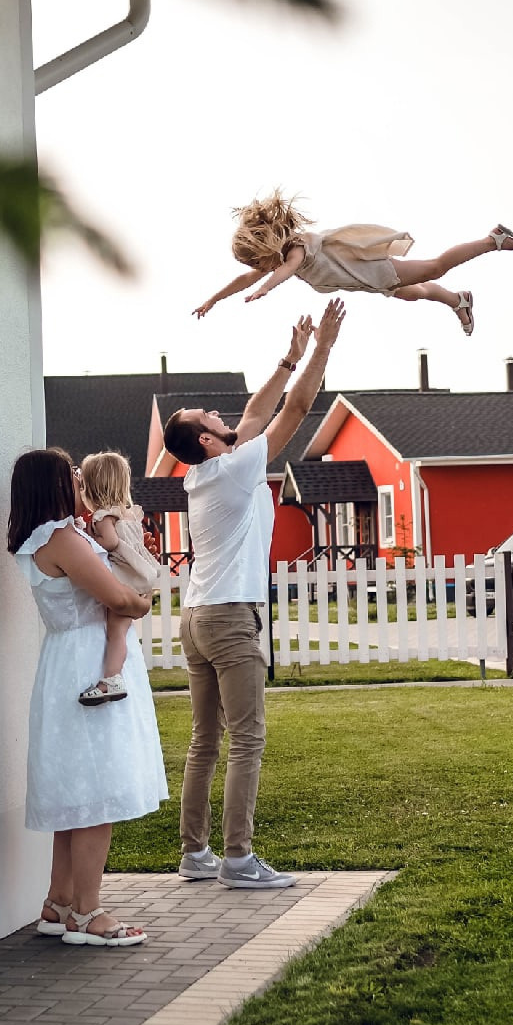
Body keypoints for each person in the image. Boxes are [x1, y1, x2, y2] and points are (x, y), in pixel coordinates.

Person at [163, 300, 345, 889]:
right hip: (228, 617)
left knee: (205, 741)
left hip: (196, 616)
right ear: (208, 439)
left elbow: (252, 412)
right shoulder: (236, 467)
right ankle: (239, 861)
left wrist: (289, 357)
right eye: (207, 416)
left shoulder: (202, 471)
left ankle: (195, 854)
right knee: (247, 739)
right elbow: (293, 410)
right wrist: (323, 348)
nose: (219, 413)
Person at [8, 447, 168, 946]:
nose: (80, 479)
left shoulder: (53, 536)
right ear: (54, 484)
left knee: (77, 796)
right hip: (87, 663)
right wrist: (141, 599)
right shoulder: (62, 539)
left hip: (70, 659)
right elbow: (118, 598)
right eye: (72, 474)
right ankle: (87, 913)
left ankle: (59, 902)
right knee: (97, 793)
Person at [192, 188, 513, 336]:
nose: (261, 270)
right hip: (367, 280)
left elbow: (284, 272)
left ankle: (493, 240)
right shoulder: (279, 258)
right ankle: (457, 300)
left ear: (267, 249)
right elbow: (247, 279)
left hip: (374, 270)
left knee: (434, 268)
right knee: (413, 293)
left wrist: (266, 289)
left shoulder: (296, 250)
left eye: (260, 263)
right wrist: (214, 299)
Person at [77, 451, 161, 707]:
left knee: (116, 633)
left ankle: (112, 679)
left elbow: (111, 543)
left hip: (125, 581)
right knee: (121, 631)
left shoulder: (103, 517)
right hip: (137, 579)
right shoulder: (127, 514)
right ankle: (114, 677)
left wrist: (90, 538)